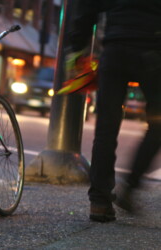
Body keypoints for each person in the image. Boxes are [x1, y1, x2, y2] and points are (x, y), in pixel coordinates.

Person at [68, 0, 161, 222]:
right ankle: (131, 185)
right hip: (153, 51)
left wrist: (77, 48)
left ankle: (99, 202)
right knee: (158, 124)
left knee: (106, 129)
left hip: (115, 50)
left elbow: (86, 9)